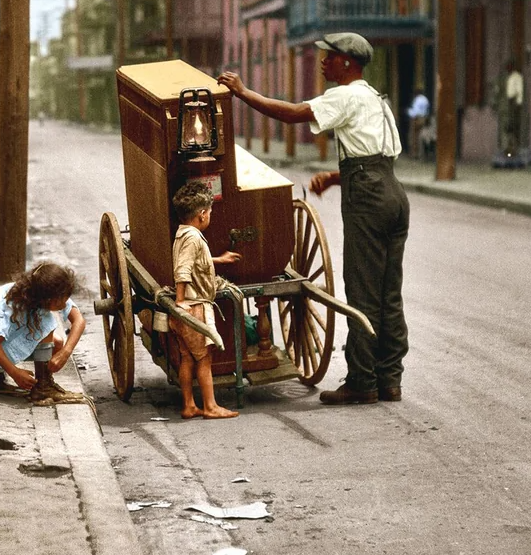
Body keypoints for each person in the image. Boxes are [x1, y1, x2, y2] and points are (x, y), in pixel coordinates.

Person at [220, 32, 409, 406]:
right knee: (389, 293)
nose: (322, 62)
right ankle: (390, 380)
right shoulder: (377, 98)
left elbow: (292, 114)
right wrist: (336, 177)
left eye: (329, 57)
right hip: (392, 193)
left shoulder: (346, 94)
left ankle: (362, 382)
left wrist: (243, 92)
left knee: (363, 291)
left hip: (368, 198)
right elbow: (381, 157)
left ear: (347, 63)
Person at [169, 180, 242, 420]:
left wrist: (219, 260)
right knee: (204, 358)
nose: (210, 216)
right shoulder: (195, 237)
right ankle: (210, 406)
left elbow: (197, 260)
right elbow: (184, 268)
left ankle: (189, 405)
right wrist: (181, 301)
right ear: (202, 215)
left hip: (184, 309)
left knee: (187, 357)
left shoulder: (182, 234)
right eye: (209, 212)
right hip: (194, 307)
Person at [0, 262, 85, 401]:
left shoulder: (49, 290)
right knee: (45, 323)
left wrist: (66, 352)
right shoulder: (16, 305)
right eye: (60, 302)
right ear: (46, 299)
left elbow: (79, 321)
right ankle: (42, 387)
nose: (64, 305)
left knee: (58, 343)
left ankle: (3, 381)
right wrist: (15, 373)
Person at [406, 86, 430, 160]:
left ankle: (414, 154)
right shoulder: (425, 100)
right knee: (421, 137)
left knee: (414, 137)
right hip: (424, 118)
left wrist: (409, 112)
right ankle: (421, 154)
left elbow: (415, 111)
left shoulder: (417, 99)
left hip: (416, 119)